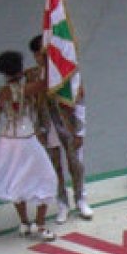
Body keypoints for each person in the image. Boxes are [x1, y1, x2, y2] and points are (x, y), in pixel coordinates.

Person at [0, 51, 61, 240]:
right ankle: (40, 225)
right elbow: (46, 83)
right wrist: (45, 62)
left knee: (16, 180)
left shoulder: (1, 91)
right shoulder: (24, 89)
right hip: (25, 140)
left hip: (7, 141)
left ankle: (25, 223)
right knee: (47, 177)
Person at [28, 36, 90, 222]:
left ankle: (81, 199)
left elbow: (80, 103)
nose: (40, 58)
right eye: (37, 54)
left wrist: (80, 132)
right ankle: (62, 204)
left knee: (76, 164)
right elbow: (31, 107)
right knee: (54, 167)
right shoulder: (31, 76)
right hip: (47, 128)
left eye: (43, 53)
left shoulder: (68, 72)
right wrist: (37, 131)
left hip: (69, 126)